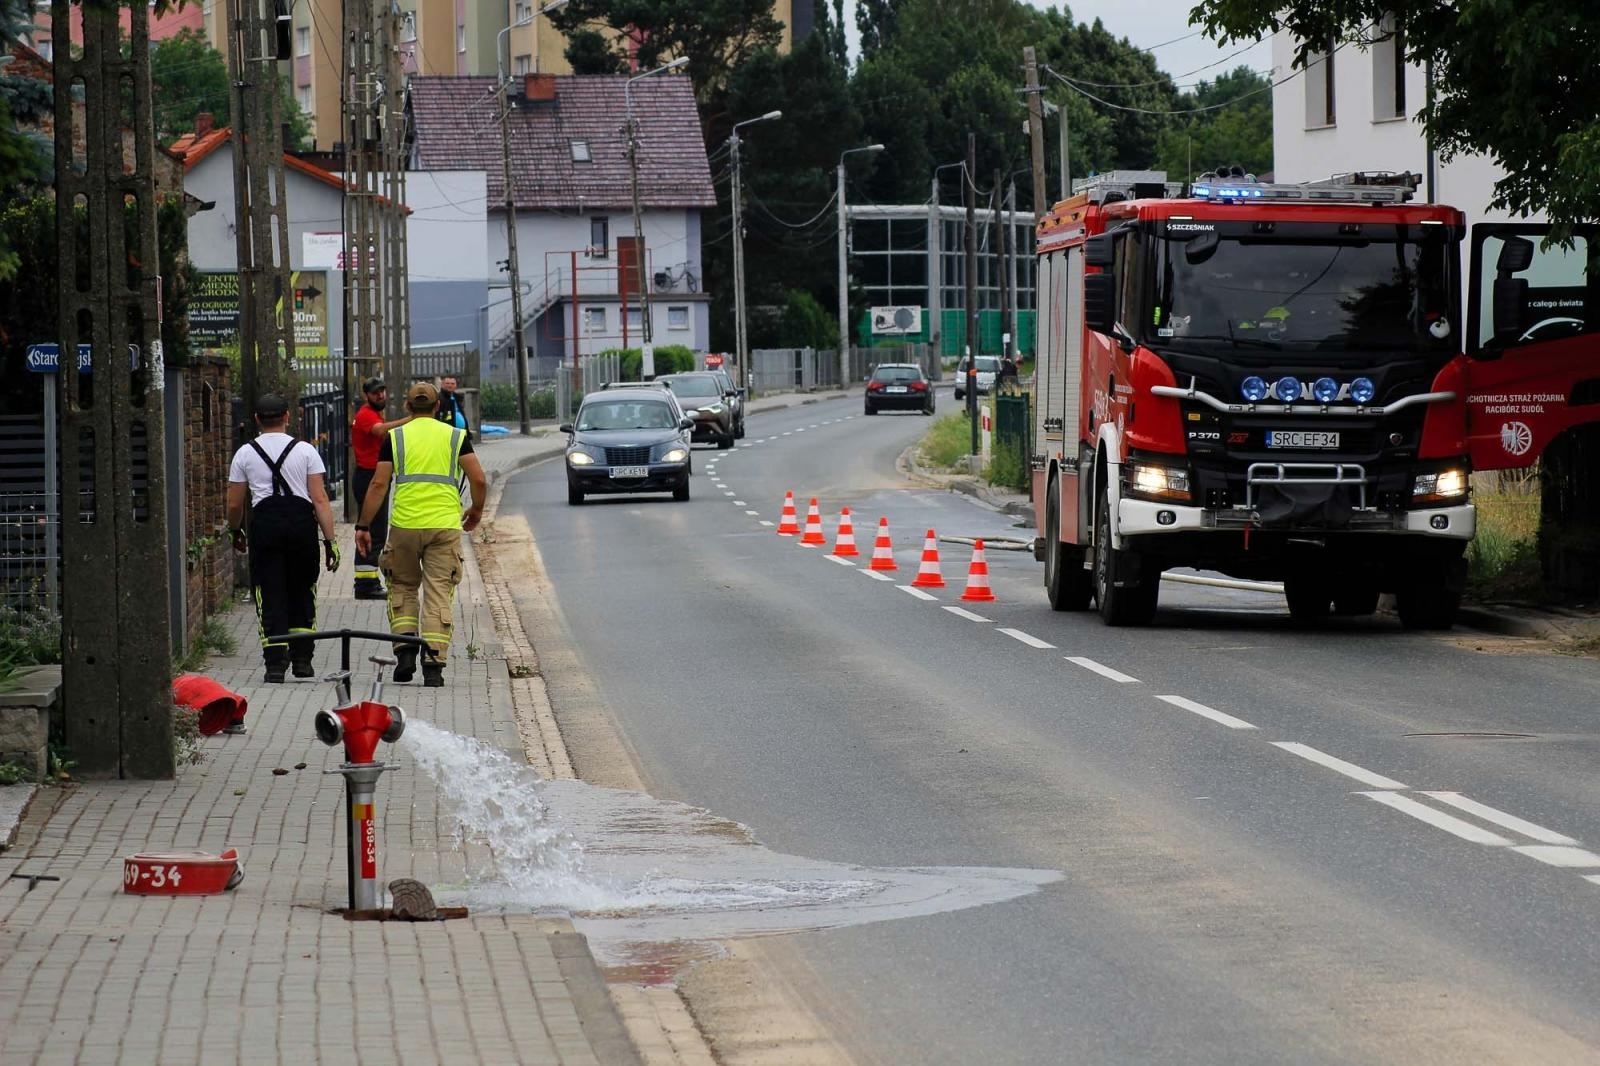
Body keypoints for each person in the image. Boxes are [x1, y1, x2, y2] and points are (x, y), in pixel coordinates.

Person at [354, 382, 487, 687]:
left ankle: (404, 652)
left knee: (402, 586)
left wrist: (363, 525)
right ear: (438, 406)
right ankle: (433, 666)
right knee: (438, 591)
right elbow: (478, 478)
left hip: (404, 525)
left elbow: (378, 485)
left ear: (408, 407)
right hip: (444, 526)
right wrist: (476, 510)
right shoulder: (456, 436)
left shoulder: (395, 437)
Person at [226, 394, 340, 684]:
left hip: (265, 527)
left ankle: (275, 664)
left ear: (256, 419)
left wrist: (235, 529)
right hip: (301, 526)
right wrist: (330, 542)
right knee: (302, 590)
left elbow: (235, 504)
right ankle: (302, 660)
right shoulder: (305, 451)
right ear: (289, 416)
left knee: (270, 590)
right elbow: (320, 499)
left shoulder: (245, 453)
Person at [349, 377, 413, 600]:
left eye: (383, 391)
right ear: (366, 395)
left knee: (376, 531)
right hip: (369, 477)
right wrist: (411, 419)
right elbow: (380, 432)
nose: (381, 396)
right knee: (371, 531)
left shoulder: (373, 413)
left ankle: (369, 581)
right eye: (376, 393)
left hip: (371, 476)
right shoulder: (366, 415)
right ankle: (365, 585)